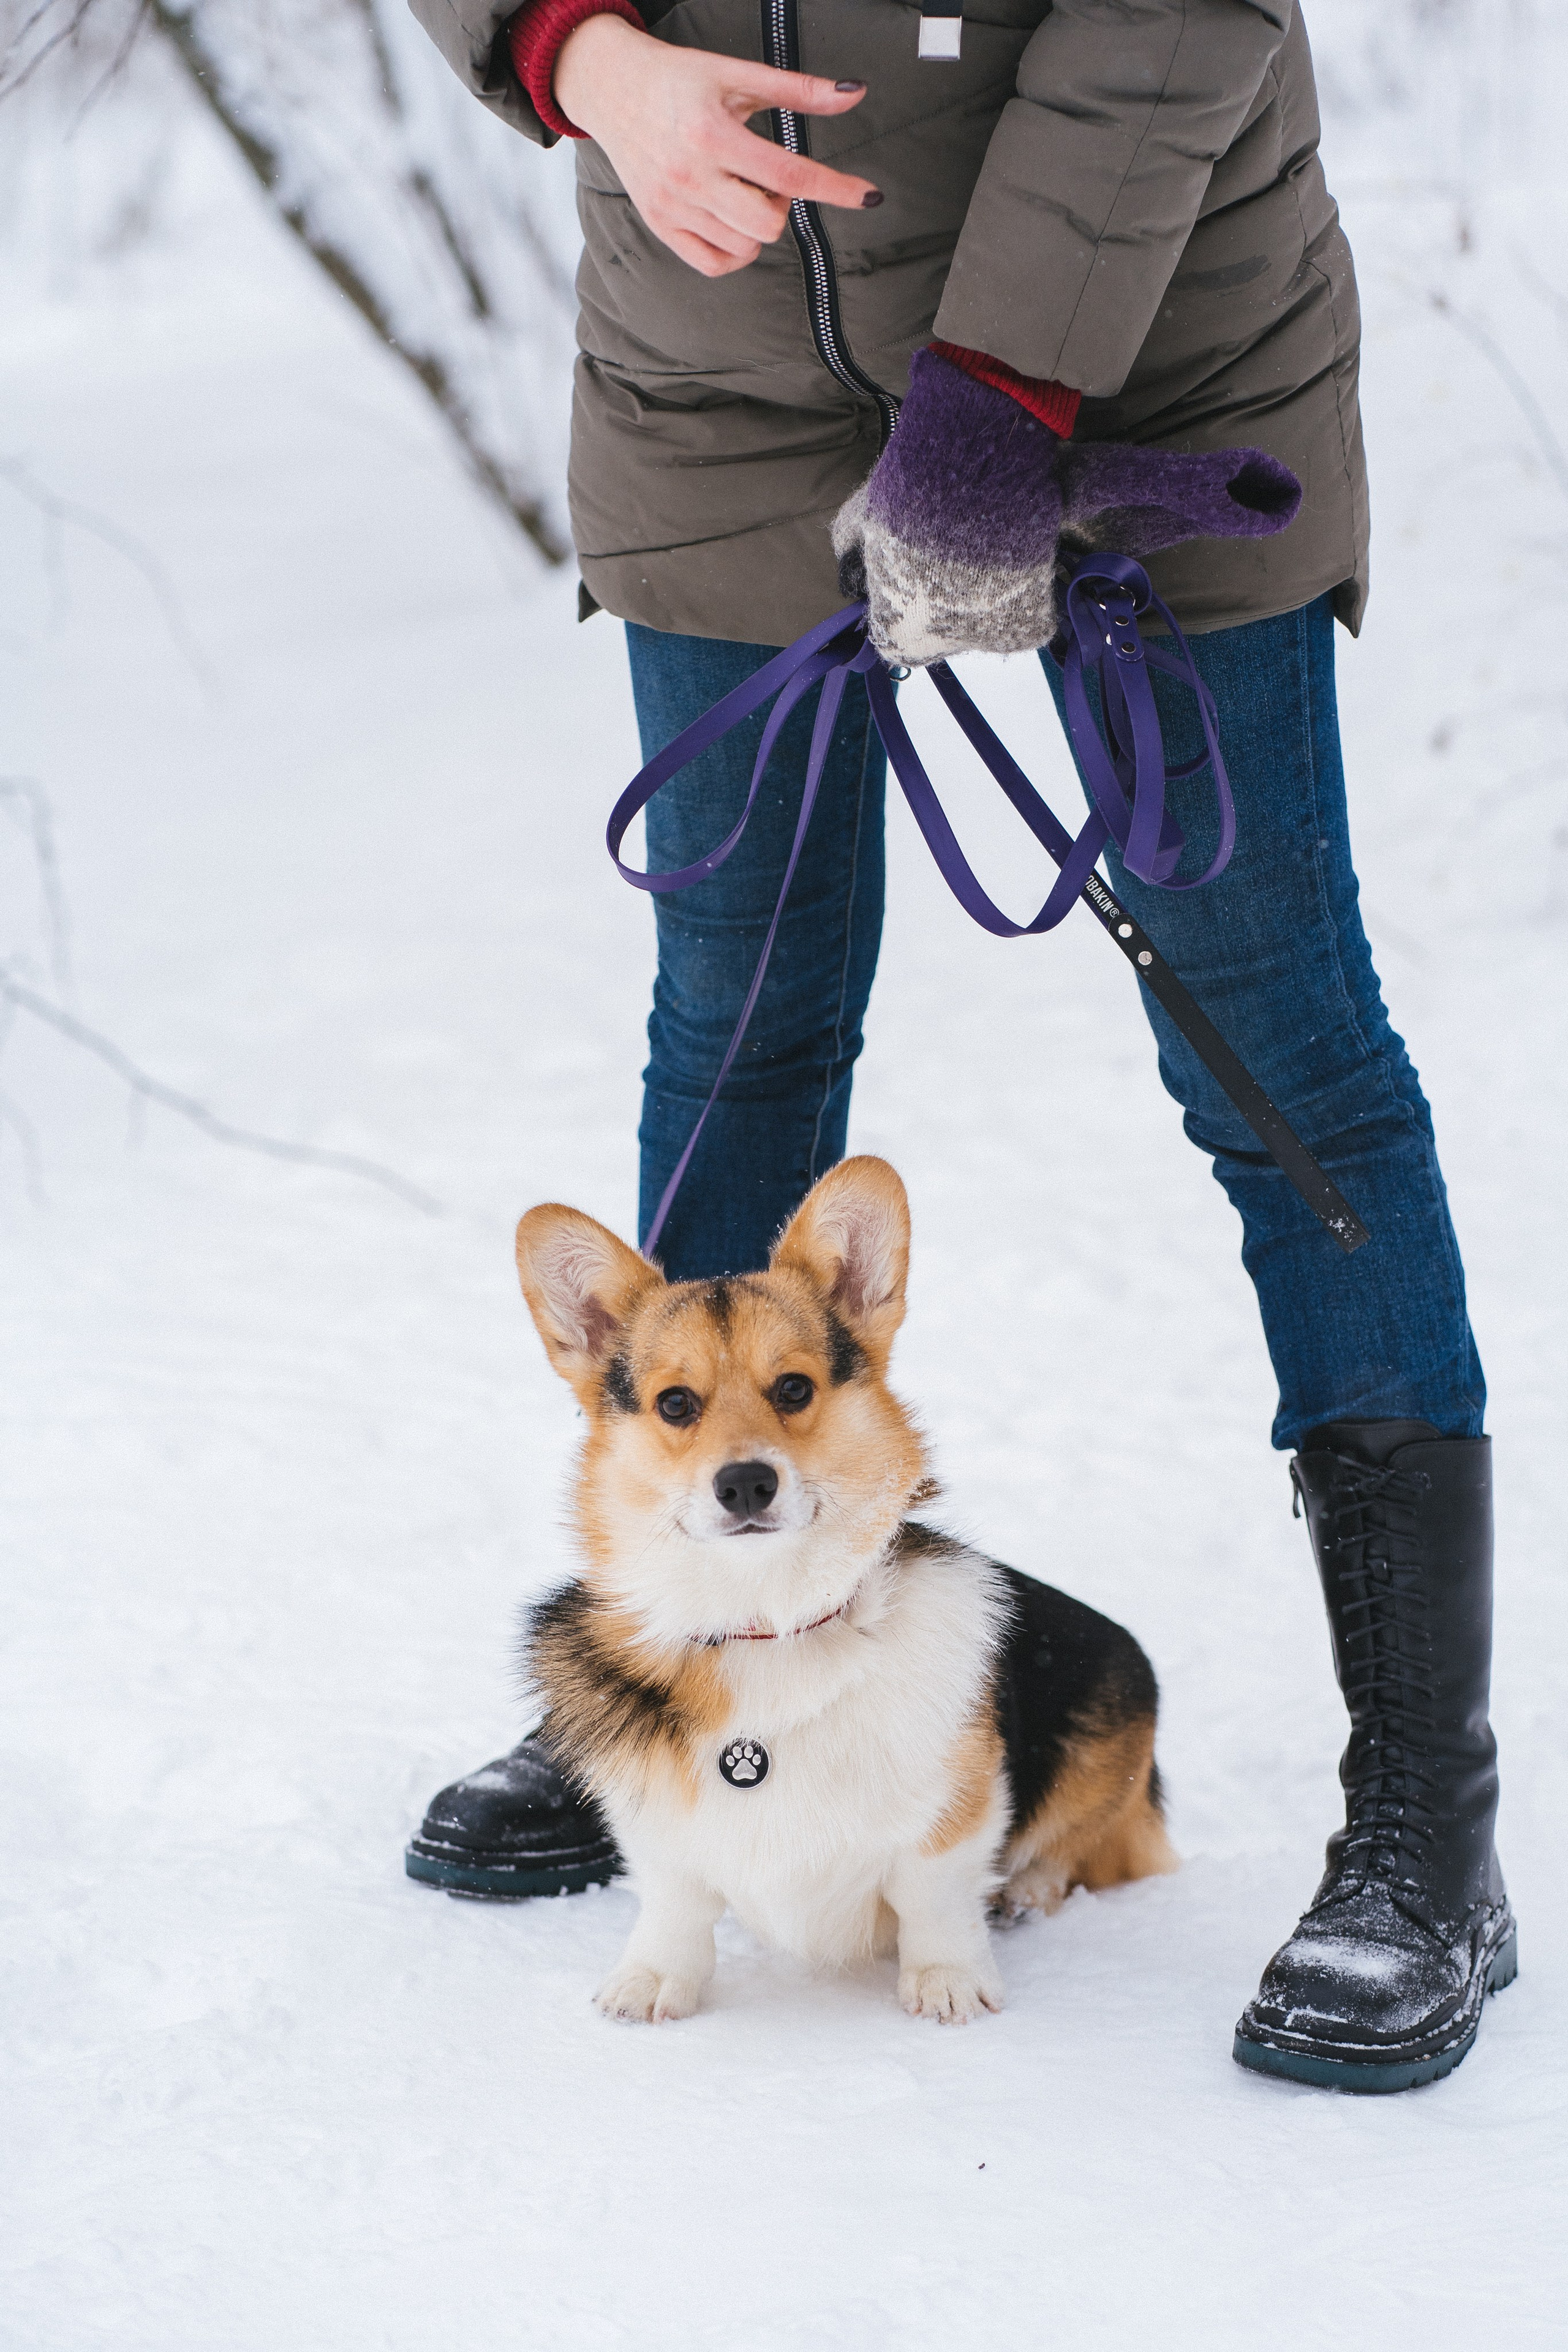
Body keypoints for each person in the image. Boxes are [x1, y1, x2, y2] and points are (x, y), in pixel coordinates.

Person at [401, 0, 1513, 2092]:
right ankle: (695, 1699)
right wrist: (577, 58)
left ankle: (1423, 1838)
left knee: (1275, 1045)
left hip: (1149, 329)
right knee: (738, 1027)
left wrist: (1001, 388)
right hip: (720, 370)